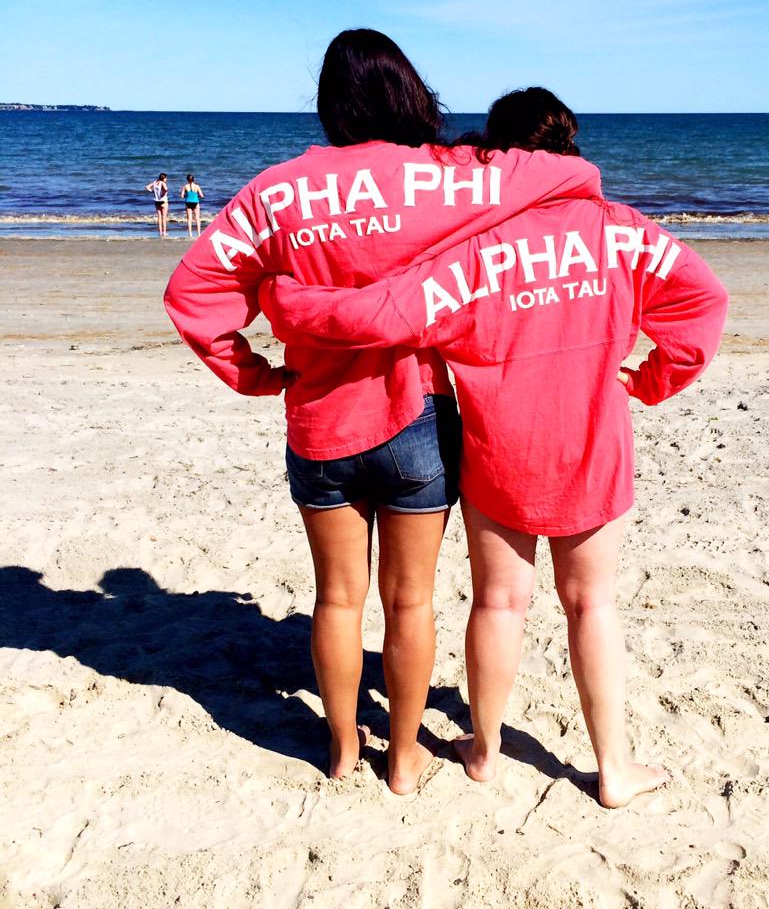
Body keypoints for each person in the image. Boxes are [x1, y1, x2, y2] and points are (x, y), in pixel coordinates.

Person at [257, 87, 729, 807]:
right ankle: (613, 768)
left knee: (500, 604)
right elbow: (703, 301)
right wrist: (654, 378)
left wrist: (289, 303)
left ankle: (485, 748)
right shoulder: (624, 232)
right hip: (593, 441)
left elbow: (387, 314)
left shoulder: (474, 250)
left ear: (493, 163)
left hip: (501, 446)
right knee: (593, 605)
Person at [163, 32, 604, 794]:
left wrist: (256, 373)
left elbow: (192, 294)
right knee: (412, 600)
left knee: (335, 596)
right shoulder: (445, 177)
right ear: (410, 95)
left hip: (319, 421)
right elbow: (549, 176)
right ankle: (403, 759)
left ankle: (339, 750)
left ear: (330, 103)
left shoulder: (277, 191)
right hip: (415, 419)